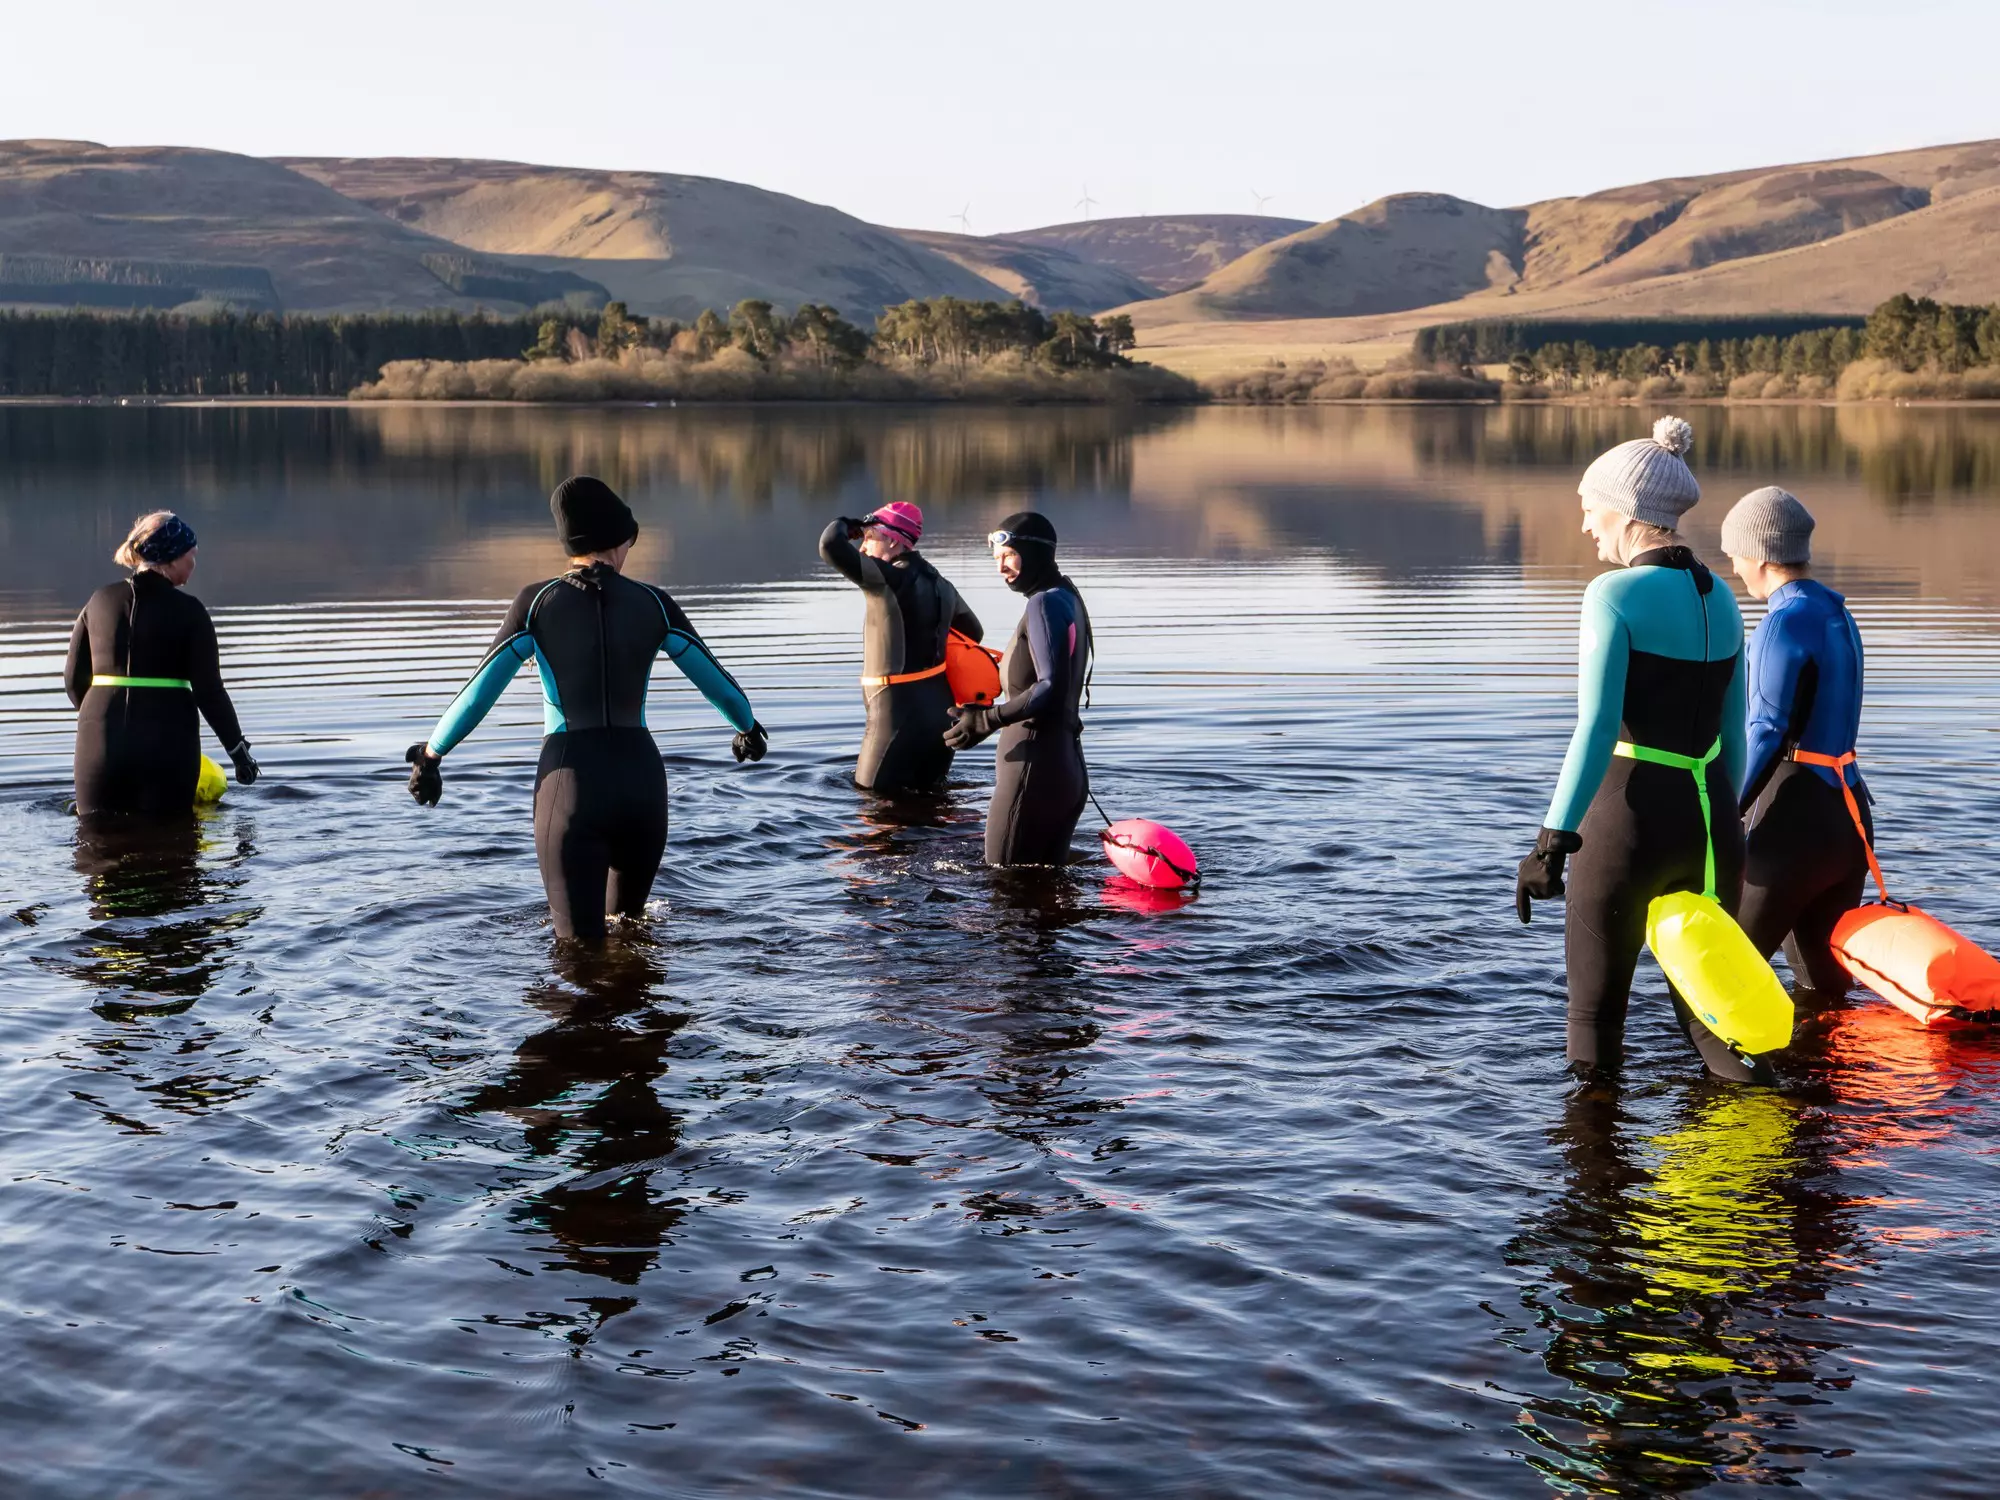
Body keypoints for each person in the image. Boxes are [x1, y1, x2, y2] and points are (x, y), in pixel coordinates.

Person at [406, 476, 768, 944]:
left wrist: (431, 757)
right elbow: (721, 687)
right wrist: (747, 730)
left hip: (570, 785)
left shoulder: (536, 604)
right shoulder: (655, 604)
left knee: (577, 958)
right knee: (631, 936)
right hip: (643, 788)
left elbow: (479, 694)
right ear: (620, 539)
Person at [1514, 418, 1756, 1083]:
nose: (1587, 526)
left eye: (1591, 510)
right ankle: (1773, 1155)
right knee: (1716, 1026)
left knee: (1595, 1025)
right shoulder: (1726, 600)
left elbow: (1596, 727)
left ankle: (1595, 1182)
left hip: (1628, 828)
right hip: (1713, 830)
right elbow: (1732, 738)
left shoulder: (1613, 594)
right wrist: (1724, 825)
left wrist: (1550, 842)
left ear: (1625, 512)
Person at [1721, 487, 1871, 996]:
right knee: (1823, 991)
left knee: (1722, 981)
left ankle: (1718, 1079)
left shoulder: (1781, 621)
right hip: (1849, 820)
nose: (1735, 568)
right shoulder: (1839, 615)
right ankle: (1827, 1076)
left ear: (1760, 554)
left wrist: (1725, 813)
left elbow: (1766, 730)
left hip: (1794, 824)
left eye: (1735, 555)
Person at [64, 510, 258, 817]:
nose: (193, 564)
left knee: (95, 841)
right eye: (189, 556)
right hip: (166, 744)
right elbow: (209, 692)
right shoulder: (190, 612)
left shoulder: (98, 601)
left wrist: (102, 720)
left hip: (98, 743)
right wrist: (239, 754)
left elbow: (73, 680)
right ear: (170, 559)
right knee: (171, 843)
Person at [943, 512, 1091, 867]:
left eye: (1008, 555)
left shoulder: (1044, 603)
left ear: (1034, 552)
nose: (1001, 569)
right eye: (996, 559)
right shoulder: (1069, 597)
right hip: (1065, 769)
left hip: (1033, 770)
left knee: (1003, 888)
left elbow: (1050, 687)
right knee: (1045, 899)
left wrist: (987, 719)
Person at [818, 501, 983, 793]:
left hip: (894, 712)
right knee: (933, 804)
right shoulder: (941, 584)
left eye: (869, 537)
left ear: (894, 540)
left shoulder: (887, 579)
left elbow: (830, 544)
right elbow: (974, 632)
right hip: (941, 713)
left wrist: (850, 523)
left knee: (871, 803)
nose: (862, 547)